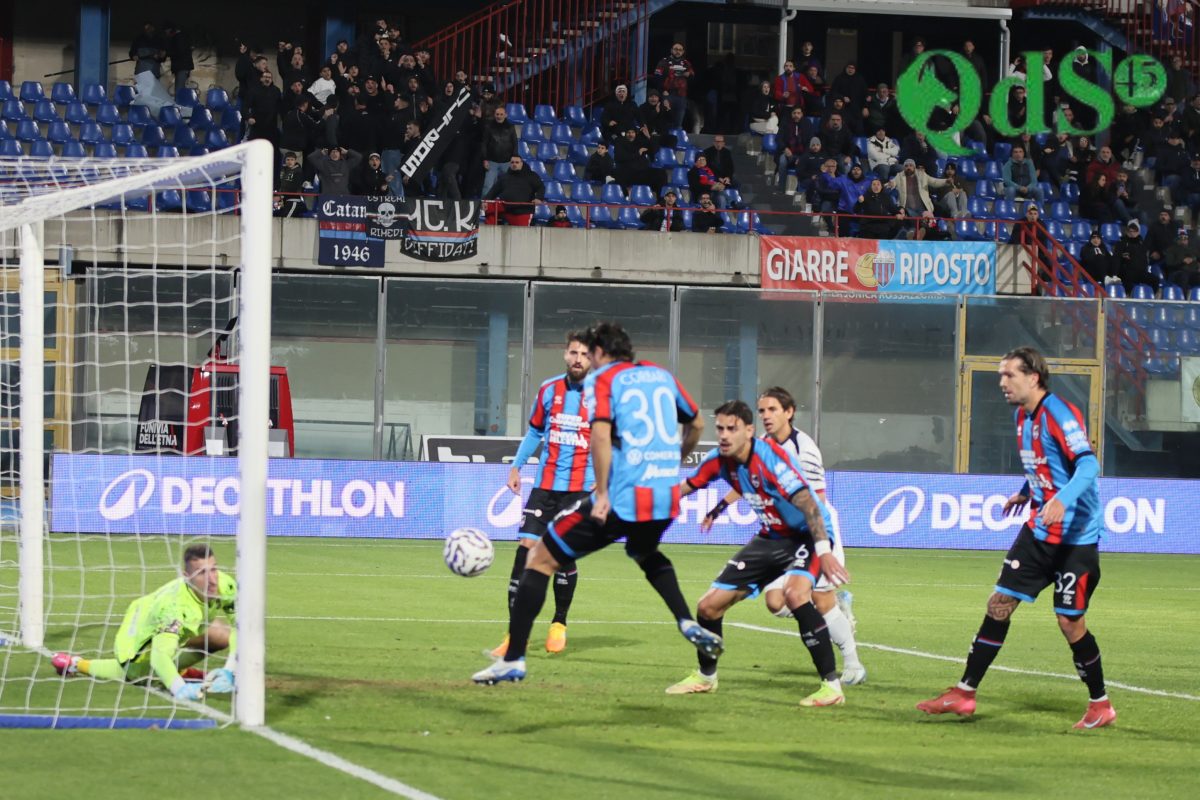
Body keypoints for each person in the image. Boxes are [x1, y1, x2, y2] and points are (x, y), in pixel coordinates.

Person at [472, 322, 720, 684]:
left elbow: (600, 437)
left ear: (600, 353)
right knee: (644, 551)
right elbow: (697, 423)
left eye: (590, 352)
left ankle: (514, 658)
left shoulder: (603, 381)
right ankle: (684, 619)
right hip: (664, 497)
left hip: (622, 495)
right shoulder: (661, 375)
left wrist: (601, 493)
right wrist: (675, 460)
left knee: (539, 558)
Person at [918, 348, 1115, 730]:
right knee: (999, 604)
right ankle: (964, 693)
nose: (1002, 382)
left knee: (1069, 623)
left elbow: (1088, 463)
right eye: (1001, 375)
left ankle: (1101, 704)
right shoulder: (1022, 417)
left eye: (1009, 375)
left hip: (1076, 538)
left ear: (1034, 378)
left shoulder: (1059, 413)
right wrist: (1028, 490)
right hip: (1039, 531)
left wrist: (1060, 499)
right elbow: (1045, 463)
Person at [666, 400, 850, 707]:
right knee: (708, 607)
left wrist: (824, 550)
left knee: (795, 594)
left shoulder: (771, 459)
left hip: (808, 532)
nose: (723, 435)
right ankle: (706, 677)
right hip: (771, 537)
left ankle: (831, 687)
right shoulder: (719, 459)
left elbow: (808, 503)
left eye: (731, 429)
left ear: (748, 431)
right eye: (720, 428)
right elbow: (687, 486)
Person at [699, 387, 865, 685]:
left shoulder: (804, 448)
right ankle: (827, 613)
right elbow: (746, 480)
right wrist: (719, 507)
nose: (766, 416)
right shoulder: (758, 445)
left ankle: (853, 663)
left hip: (814, 531)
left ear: (788, 412)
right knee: (776, 602)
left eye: (772, 409)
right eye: (762, 410)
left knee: (817, 598)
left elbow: (818, 500)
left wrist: (819, 547)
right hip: (783, 535)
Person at [490, 333, 593, 659]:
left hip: (580, 489)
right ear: (565, 355)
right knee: (525, 550)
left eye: (585, 354)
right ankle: (513, 634)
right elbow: (535, 430)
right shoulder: (549, 390)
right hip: (545, 487)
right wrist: (516, 467)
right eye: (574, 352)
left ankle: (559, 623)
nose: (578, 358)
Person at [52, 544, 236, 702]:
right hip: (136, 642)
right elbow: (158, 655)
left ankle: (179, 669)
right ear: (186, 576)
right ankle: (77, 664)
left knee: (221, 634)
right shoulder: (173, 609)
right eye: (202, 573)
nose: (212, 579)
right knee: (138, 674)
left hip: (155, 615)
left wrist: (229, 670)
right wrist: (180, 689)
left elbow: (242, 627)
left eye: (214, 569)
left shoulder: (224, 584)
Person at [485, 154, 545, 227]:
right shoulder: (505, 177)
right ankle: (490, 231)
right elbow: (494, 191)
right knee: (488, 206)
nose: (514, 164)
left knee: (521, 233)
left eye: (517, 162)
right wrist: (485, 201)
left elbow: (541, 187)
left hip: (523, 211)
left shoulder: (531, 175)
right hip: (506, 208)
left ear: (521, 163)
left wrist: (539, 198)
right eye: (512, 162)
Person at [653, 42, 695, 129]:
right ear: (671, 50)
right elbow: (657, 76)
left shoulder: (686, 63)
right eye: (676, 49)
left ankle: (677, 139)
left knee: (679, 121)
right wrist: (662, 90)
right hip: (668, 94)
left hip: (681, 96)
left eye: (680, 50)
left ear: (683, 52)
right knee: (666, 119)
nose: (678, 52)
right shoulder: (664, 61)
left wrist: (688, 75)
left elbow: (692, 76)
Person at [1112, 220, 1159, 294]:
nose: (1132, 233)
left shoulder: (1142, 244)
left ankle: (1152, 298)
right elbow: (1116, 258)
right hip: (1126, 271)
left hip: (1140, 272)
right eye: (1130, 231)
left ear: (1138, 232)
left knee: (1155, 280)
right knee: (1127, 279)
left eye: (1134, 231)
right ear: (1127, 232)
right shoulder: (1121, 243)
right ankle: (1127, 297)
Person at [481, 105, 517, 197]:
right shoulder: (489, 127)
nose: (499, 116)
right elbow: (484, 143)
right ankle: (484, 208)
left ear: (505, 115)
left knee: (510, 185)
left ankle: (510, 207)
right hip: (492, 161)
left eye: (501, 114)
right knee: (487, 186)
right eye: (497, 114)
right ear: (494, 115)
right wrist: (485, 159)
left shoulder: (511, 127)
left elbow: (515, 143)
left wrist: (514, 158)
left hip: (507, 162)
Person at [163, 22, 193, 93]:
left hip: (182, 67)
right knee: (180, 90)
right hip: (182, 67)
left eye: (166, 31)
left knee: (179, 91)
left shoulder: (179, 38)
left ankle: (180, 103)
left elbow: (179, 52)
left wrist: (166, 53)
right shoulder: (179, 37)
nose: (166, 33)